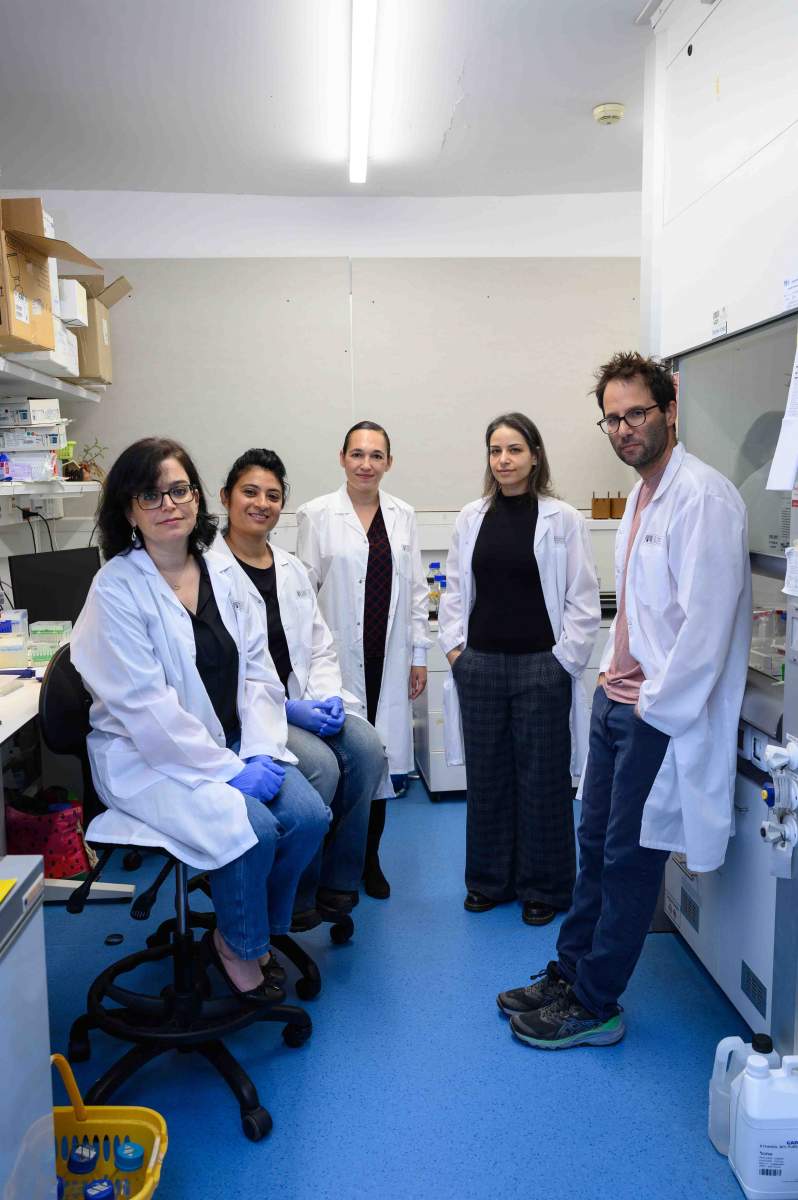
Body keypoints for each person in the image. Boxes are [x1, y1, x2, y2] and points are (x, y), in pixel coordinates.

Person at [498, 352, 752, 1049]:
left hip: (655, 715)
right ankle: (571, 969)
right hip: (618, 701)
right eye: (612, 417)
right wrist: (613, 686)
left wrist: (650, 708)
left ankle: (597, 1001)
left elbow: (702, 630)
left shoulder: (704, 497)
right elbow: (638, 611)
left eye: (636, 413)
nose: (623, 428)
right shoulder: (643, 494)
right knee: (594, 845)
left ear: (670, 410)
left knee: (628, 857)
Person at [71, 437, 330, 1002]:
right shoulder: (115, 589)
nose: (170, 504)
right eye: (151, 494)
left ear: (196, 497)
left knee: (309, 816)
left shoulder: (222, 573)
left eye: (179, 489)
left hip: (231, 740)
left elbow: (259, 671)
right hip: (147, 758)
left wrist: (260, 749)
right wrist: (226, 772)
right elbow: (146, 709)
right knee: (253, 828)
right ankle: (238, 944)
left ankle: (250, 928)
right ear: (127, 510)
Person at [438, 413, 600, 926]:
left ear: (534, 455)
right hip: (480, 665)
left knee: (543, 780)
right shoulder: (471, 517)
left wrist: (563, 662)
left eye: (513, 450)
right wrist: (456, 653)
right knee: (487, 779)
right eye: (495, 451)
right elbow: (456, 592)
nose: (503, 460)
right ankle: (488, 881)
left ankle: (544, 888)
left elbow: (581, 596)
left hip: (541, 667)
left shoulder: (561, 518)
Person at [216, 447, 390, 924]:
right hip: (251, 713)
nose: (261, 503)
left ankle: (340, 883)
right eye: (250, 492)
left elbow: (319, 644)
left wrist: (328, 697)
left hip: (301, 701)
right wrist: (291, 711)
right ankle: (298, 895)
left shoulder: (290, 568)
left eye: (273, 495)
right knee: (321, 766)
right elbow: (222, 668)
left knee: (369, 747)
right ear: (226, 497)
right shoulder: (209, 573)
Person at [295, 421, 430, 898]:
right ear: (342, 458)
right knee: (340, 760)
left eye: (376, 455)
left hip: (387, 657)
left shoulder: (403, 515)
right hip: (333, 661)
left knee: (380, 761)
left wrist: (418, 656)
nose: (366, 464)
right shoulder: (316, 514)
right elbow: (302, 595)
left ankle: (368, 861)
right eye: (357, 454)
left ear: (388, 462)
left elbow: (415, 591)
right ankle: (330, 866)